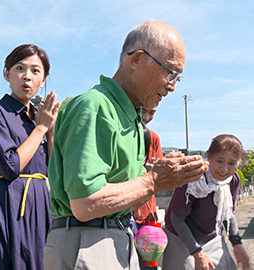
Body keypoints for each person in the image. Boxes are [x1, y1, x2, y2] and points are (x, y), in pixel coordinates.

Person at [44, 20, 209, 270]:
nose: (173, 86)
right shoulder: (95, 106)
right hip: (88, 241)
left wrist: (162, 174)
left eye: (178, 77)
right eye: (170, 72)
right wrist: (153, 180)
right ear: (137, 60)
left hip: (118, 237)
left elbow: (125, 200)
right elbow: (86, 203)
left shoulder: (131, 118)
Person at [0, 44, 60, 270]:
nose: (27, 76)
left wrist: (51, 130)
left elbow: (53, 170)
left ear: (44, 79)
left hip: (39, 204)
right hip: (7, 203)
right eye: (19, 68)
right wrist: (40, 130)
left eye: (36, 71)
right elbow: (10, 167)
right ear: (7, 74)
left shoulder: (38, 118)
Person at [162, 134, 252, 270]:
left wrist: (237, 244)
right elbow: (177, 220)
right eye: (220, 160)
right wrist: (197, 253)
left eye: (232, 163)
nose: (224, 169)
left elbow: (229, 213)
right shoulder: (193, 178)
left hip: (211, 236)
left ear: (238, 163)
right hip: (181, 237)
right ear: (208, 156)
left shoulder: (233, 180)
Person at [133, 106, 163, 270]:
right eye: (143, 111)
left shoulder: (154, 138)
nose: (146, 116)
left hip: (148, 215)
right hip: (126, 213)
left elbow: (160, 179)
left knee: (149, 264)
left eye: (152, 112)